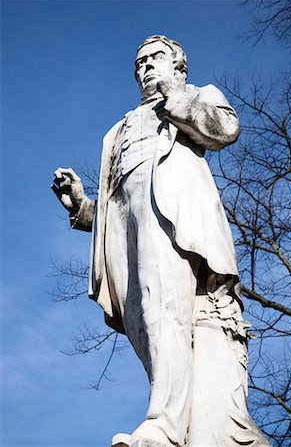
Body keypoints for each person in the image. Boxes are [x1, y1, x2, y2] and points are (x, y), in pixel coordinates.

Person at [52, 35, 271, 447]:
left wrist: (178, 99)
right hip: (127, 231)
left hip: (174, 219)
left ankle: (165, 425)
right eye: (140, 62)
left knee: (163, 307)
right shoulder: (117, 130)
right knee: (147, 323)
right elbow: (120, 200)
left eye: (156, 58)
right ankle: (180, 415)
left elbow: (226, 129)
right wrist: (83, 207)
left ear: (178, 67)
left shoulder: (196, 95)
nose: (146, 67)